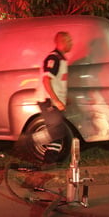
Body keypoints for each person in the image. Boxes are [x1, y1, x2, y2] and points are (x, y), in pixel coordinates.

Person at [37, 31, 73, 164]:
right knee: (57, 132)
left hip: (53, 101)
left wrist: (64, 98)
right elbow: (46, 80)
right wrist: (56, 100)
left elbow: (58, 82)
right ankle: (47, 161)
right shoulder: (54, 58)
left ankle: (50, 161)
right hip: (48, 101)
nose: (72, 44)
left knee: (57, 132)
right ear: (61, 42)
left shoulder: (61, 59)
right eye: (69, 41)